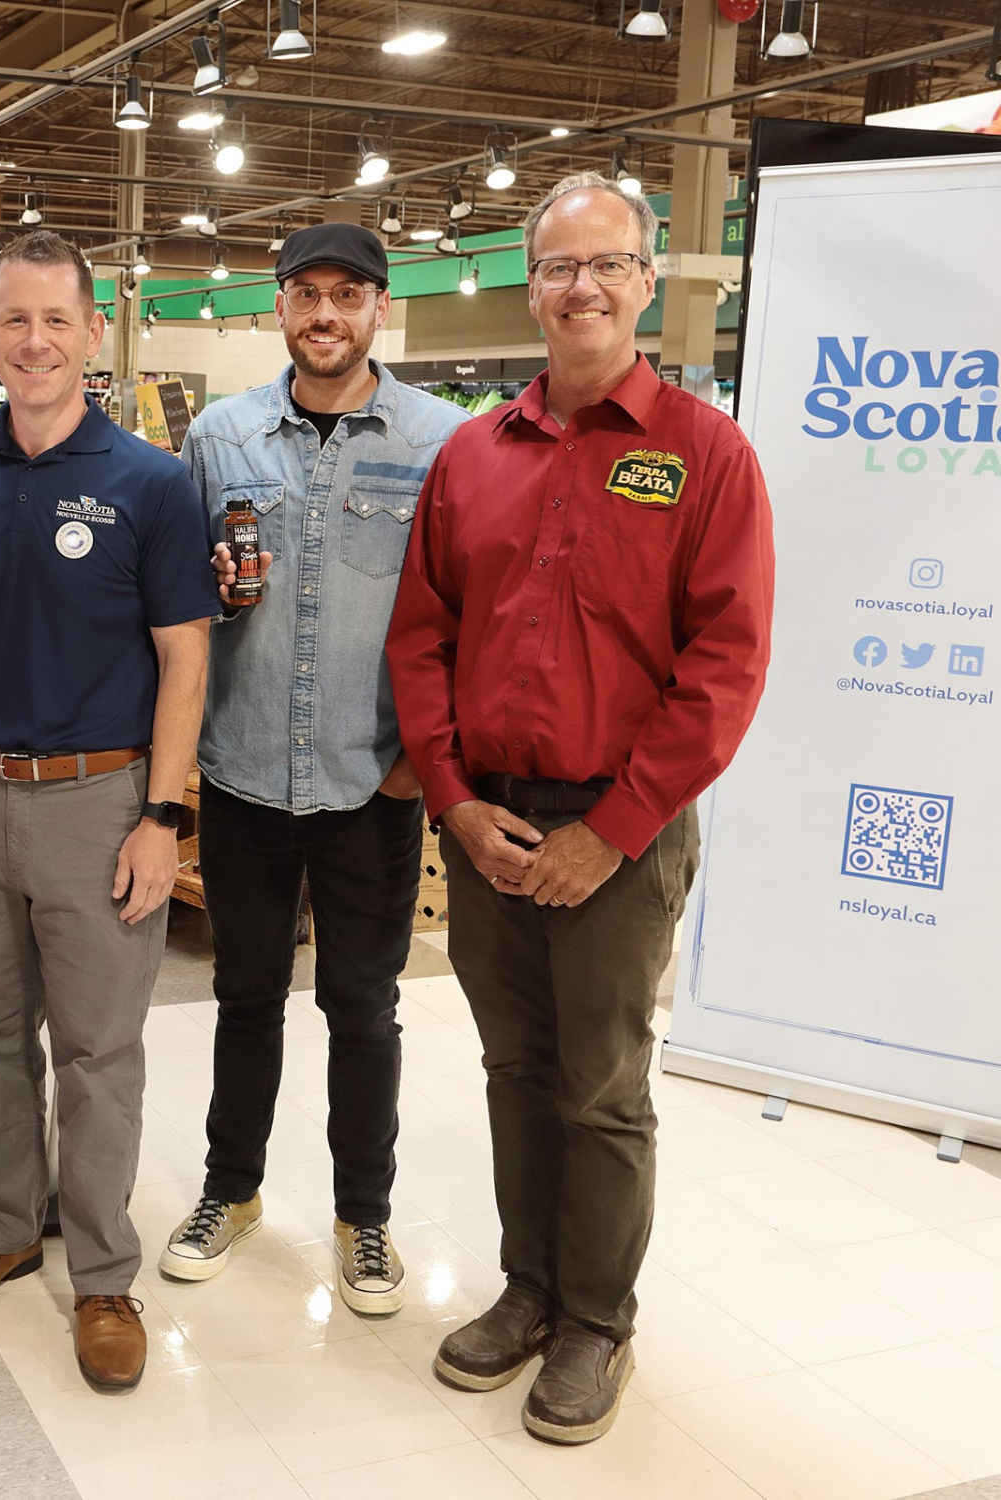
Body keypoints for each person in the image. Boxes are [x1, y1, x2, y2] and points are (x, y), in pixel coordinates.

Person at [386, 173, 774, 1444]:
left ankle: (596, 1320)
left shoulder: (702, 456)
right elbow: (422, 637)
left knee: (600, 1086)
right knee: (512, 1068)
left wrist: (608, 832)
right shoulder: (470, 454)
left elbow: (724, 668)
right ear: (530, 283)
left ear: (647, 281)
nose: (581, 288)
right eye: (558, 267)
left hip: (623, 826)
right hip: (492, 821)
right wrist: (452, 800)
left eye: (606, 264)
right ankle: (528, 1289)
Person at [0, 230, 216, 1391]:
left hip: (98, 802)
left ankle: (102, 1277)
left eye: (55, 321)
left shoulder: (148, 482)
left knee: (96, 1050)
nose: (34, 341)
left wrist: (161, 817)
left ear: (91, 336)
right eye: (12, 320)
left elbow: (184, 659)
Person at [163, 224, 466, 1309]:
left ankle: (362, 1218)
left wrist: (414, 770)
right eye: (304, 295)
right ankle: (228, 1189)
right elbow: (178, 602)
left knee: (363, 1007)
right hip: (241, 773)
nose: (324, 315)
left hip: (368, 783)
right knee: (243, 997)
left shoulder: (439, 441)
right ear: (278, 308)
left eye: (346, 295)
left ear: (378, 307)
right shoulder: (220, 434)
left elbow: (460, 618)